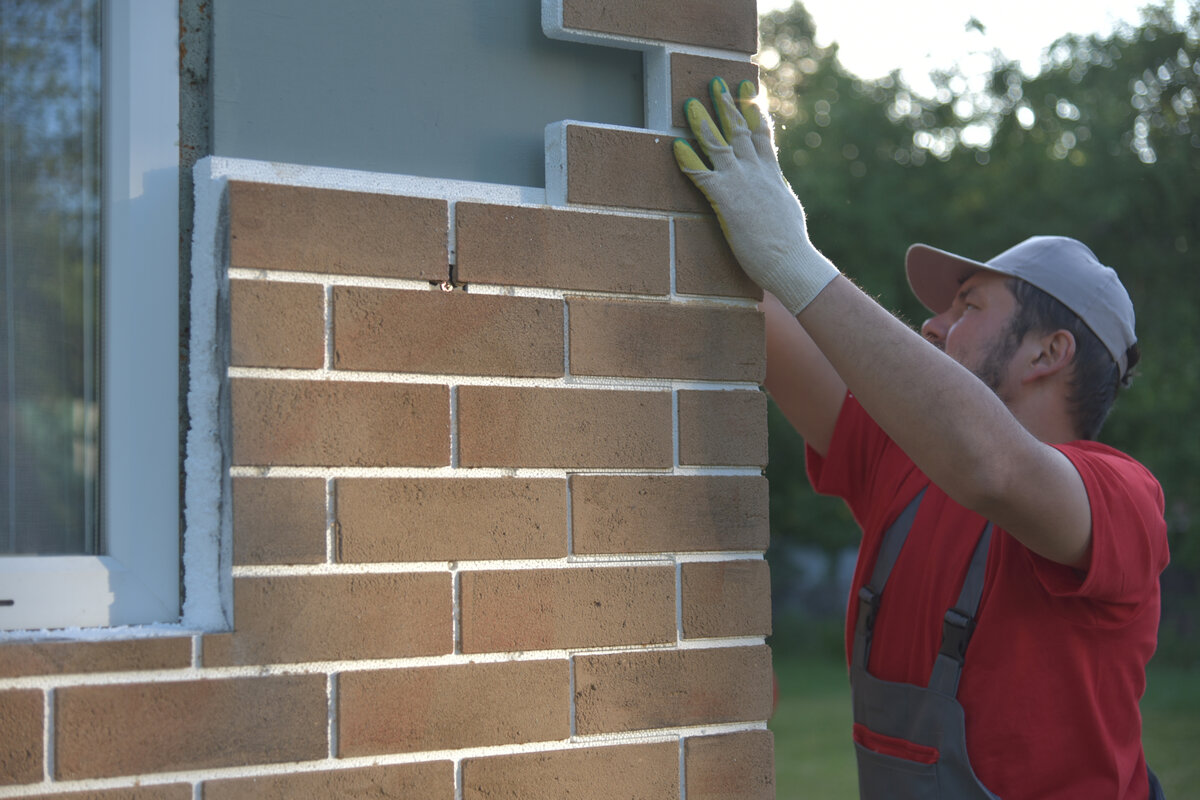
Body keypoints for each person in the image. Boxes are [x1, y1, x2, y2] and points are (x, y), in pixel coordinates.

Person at [673, 77, 1170, 799]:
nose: (933, 324)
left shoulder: (1122, 496)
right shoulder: (904, 462)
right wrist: (739, 208)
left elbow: (994, 468)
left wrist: (797, 256)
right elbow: (769, 312)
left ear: (1048, 353)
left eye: (969, 305)